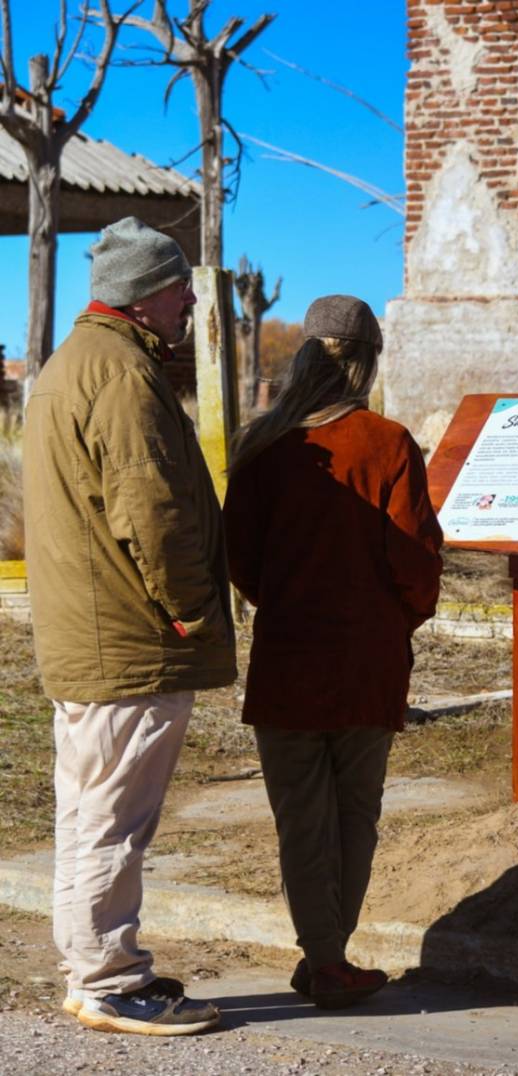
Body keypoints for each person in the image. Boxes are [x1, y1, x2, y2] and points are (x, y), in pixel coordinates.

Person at [23, 216, 237, 1036]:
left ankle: (92, 971)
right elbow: (151, 509)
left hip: (91, 633)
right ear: (147, 297)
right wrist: (189, 608)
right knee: (113, 817)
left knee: (88, 814)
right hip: (128, 637)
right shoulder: (121, 376)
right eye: (180, 287)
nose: (190, 300)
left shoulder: (73, 365)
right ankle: (110, 981)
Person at [223, 294, 443, 1010]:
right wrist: (394, 620)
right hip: (364, 662)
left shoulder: (260, 447)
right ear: (368, 359)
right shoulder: (386, 443)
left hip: (286, 656)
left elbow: (241, 562)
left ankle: (323, 954)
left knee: (300, 818)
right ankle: (328, 958)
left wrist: (287, 603)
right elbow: (417, 561)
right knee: (355, 814)